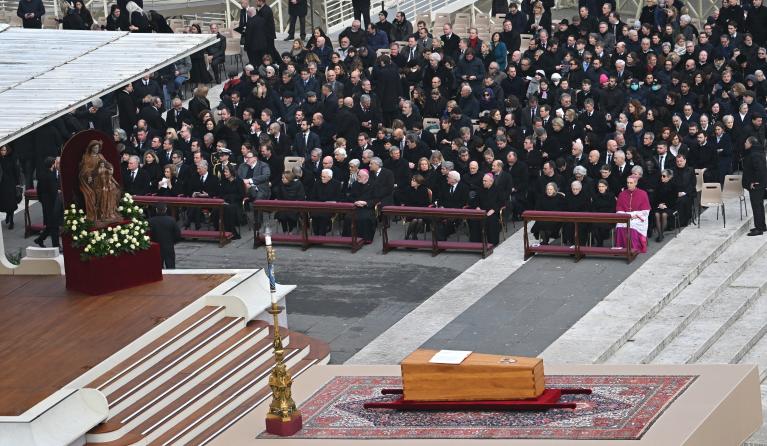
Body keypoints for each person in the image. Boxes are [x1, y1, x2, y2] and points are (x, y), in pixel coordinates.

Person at [615, 175, 651, 253]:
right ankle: (621, 247)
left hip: (638, 218)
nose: (629, 184)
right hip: (625, 216)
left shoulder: (643, 194)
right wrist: (626, 215)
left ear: (635, 183)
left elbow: (646, 210)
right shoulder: (622, 194)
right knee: (619, 225)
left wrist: (635, 215)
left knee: (632, 224)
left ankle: (634, 248)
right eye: (628, 183)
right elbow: (619, 208)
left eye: (631, 183)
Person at [34, 157, 61, 248]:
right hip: (52, 203)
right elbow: (53, 191)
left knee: (50, 224)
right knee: (54, 225)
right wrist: (58, 193)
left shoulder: (41, 175)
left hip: (45, 202)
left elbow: (39, 189)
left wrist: (41, 200)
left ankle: (40, 239)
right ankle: (56, 246)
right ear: (52, 164)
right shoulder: (51, 176)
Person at [470, 173, 504, 246]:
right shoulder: (480, 189)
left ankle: (492, 242)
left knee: (491, 220)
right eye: (483, 181)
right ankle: (476, 242)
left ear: (491, 181)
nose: (483, 182)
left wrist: (493, 210)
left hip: (493, 212)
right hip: (481, 211)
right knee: (474, 220)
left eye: (485, 181)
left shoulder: (498, 189)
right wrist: (477, 207)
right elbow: (475, 201)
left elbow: (501, 202)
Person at [742, 137, 767, 236]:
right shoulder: (756, 152)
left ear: (751, 144)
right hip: (759, 184)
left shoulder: (754, 154)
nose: (745, 143)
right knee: (759, 205)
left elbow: (759, 170)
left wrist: (754, 182)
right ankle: (762, 225)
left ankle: (759, 228)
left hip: (757, 185)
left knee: (756, 206)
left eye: (746, 142)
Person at [310, 168, 342, 235]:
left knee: (323, 216)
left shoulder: (337, 184)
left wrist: (329, 202)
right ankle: (316, 234)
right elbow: (312, 197)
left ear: (330, 177)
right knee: (314, 215)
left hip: (329, 207)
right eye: (321, 176)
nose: (322, 178)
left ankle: (321, 236)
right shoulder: (317, 183)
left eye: (324, 177)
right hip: (318, 206)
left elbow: (338, 198)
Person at [148, 204, 181, 269]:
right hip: (169, 246)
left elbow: (148, 234)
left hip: (156, 247)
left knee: (157, 267)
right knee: (170, 266)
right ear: (165, 209)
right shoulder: (171, 220)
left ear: (156, 210)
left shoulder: (151, 221)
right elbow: (177, 234)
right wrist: (172, 242)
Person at [400, 174, 431, 239]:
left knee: (419, 220)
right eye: (412, 180)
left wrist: (416, 203)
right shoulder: (408, 189)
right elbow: (406, 202)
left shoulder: (424, 190)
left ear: (418, 182)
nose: (411, 181)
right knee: (414, 220)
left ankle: (414, 234)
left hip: (421, 211)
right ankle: (409, 235)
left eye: (413, 181)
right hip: (410, 211)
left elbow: (426, 203)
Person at [219, 164, 245, 239]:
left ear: (231, 172)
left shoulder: (239, 182)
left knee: (229, 208)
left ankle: (231, 231)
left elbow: (241, 195)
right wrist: (225, 199)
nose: (225, 173)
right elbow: (221, 194)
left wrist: (230, 197)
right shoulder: (224, 182)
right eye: (224, 172)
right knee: (218, 209)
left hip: (236, 203)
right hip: (225, 202)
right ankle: (220, 230)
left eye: (226, 172)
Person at [0, 146, 22, 230]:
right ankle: (8, 214)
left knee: (11, 202)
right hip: (2, 185)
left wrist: (18, 183)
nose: (3, 152)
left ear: (7, 151)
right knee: (5, 202)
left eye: (4, 150)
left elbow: (16, 171)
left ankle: (11, 221)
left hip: (11, 184)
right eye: (1, 150)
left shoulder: (11, 159)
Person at [653, 169, 677, 242]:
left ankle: (661, 234)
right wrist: (659, 204)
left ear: (669, 177)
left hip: (670, 206)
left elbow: (674, 199)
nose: (662, 177)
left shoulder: (674, 186)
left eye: (664, 176)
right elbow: (655, 197)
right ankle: (660, 235)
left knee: (664, 214)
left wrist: (666, 205)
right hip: (659, 206)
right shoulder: (658, 185)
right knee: (656, 214)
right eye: (661, 176)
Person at [591, 179, 616, 246]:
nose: (601, 188)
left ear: (606, 187)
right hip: (598, 217)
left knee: (603, 225)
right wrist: (597, 215)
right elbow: (593, 208)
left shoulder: (611, 196)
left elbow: (613, 208)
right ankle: (599, 242)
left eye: (602, 186)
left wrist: (606, 216)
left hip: (609, 217)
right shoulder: (595, 196)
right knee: (594, 226)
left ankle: (601, 240)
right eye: (599, 186)